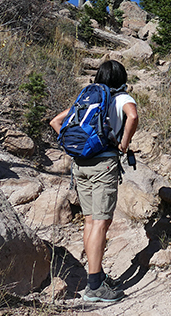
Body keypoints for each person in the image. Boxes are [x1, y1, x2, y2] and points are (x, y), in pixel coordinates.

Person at [50, 60, 138, 302]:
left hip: (79, 166)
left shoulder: (86, 99)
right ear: (121, 78)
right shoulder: (119, 98)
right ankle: (95, 288)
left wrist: (80, 147)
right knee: (100, 223)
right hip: (103, 165)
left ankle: (96, 276)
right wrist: (123, 144)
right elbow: (133, 116)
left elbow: (55, 122)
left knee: (90, 222)